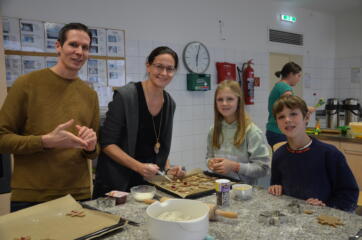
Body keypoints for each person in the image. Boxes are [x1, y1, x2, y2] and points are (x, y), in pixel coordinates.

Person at [0, 23, 99, 211]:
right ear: (58, 46)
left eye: (85, 47)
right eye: (73, 45)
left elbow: (93, 151)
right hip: (32, 196)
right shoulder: (27, 84)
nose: (79, 52)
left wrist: (92, 145)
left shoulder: (89, 94)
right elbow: (2, 137)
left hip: (78, 195)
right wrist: (45, 141)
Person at [93, 46, 185, 197]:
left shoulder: (169, 103)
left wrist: (168, 169)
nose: (164, 73)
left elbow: (159, 147)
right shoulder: (125, 96)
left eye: (170, 69)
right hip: (117, 182)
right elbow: (107, 144)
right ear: (148, 66)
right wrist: (138, 167)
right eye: (159, 67)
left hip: (148, 184)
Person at [268, 95, 359, 212]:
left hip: (322, 219)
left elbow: (349, 194)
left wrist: (326, 207)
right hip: (291, 217)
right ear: (277, 123)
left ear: (306, 117)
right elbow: (276, 185)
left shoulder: (330, 154)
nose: (287, 120)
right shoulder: (279, 155)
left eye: (293, 114)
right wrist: (275, 188)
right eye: (281, 117)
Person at [206, 80, 270, 185]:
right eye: (220, 99)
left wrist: (234, 166)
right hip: (218, 186)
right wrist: (210, 163)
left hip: (244, 190)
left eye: (230, 99)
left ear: (238, 101)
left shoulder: (252, 132)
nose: (224, 103)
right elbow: (209, 156)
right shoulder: (213, 130)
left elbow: (263, 169)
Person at [266, 62, 315, 148]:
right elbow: (292, 106)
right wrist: (307, 109)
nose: (299, 79)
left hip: (273, 130)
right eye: (298, 76)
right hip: (279, 132)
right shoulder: (285, 87)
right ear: (291, 74)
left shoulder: (279, 85)